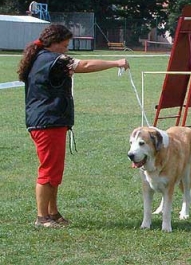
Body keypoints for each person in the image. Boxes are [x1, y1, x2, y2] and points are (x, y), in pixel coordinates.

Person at [17, 24, 130, 228]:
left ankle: (53, 212)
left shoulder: (40, 58)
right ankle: (41, 218)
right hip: (47, 122)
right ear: (55, 43)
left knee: (55, 171)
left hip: (49, 121)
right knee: (48, 171)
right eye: (65, 44)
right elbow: (85, 65)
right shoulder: (53, 60)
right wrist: (116, 62)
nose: (66, 49)